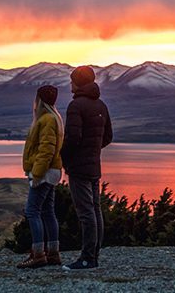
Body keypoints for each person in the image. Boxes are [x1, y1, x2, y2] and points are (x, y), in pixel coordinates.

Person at [60, 65, 112, 270]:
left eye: (72, 80)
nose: (70, 84)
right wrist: (92, 150)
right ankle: (94, 255)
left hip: (79, 167)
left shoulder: (76, 106)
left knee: (85, 212)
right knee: (95, 209)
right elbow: (108, 137)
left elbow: (73, 138)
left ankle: (88, 258)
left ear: (78, 82)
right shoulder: (101, 105)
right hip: (93, 165)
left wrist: (63, 156)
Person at [17, 84, 64, 269]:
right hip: (52, 170)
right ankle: (53, 253)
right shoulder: (55, 118)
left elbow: (46, 149)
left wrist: (36, 174)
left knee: (32, 211)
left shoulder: (46, 120)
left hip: (44, 172)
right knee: (47, 211)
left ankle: (38, 254)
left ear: (39, 100)